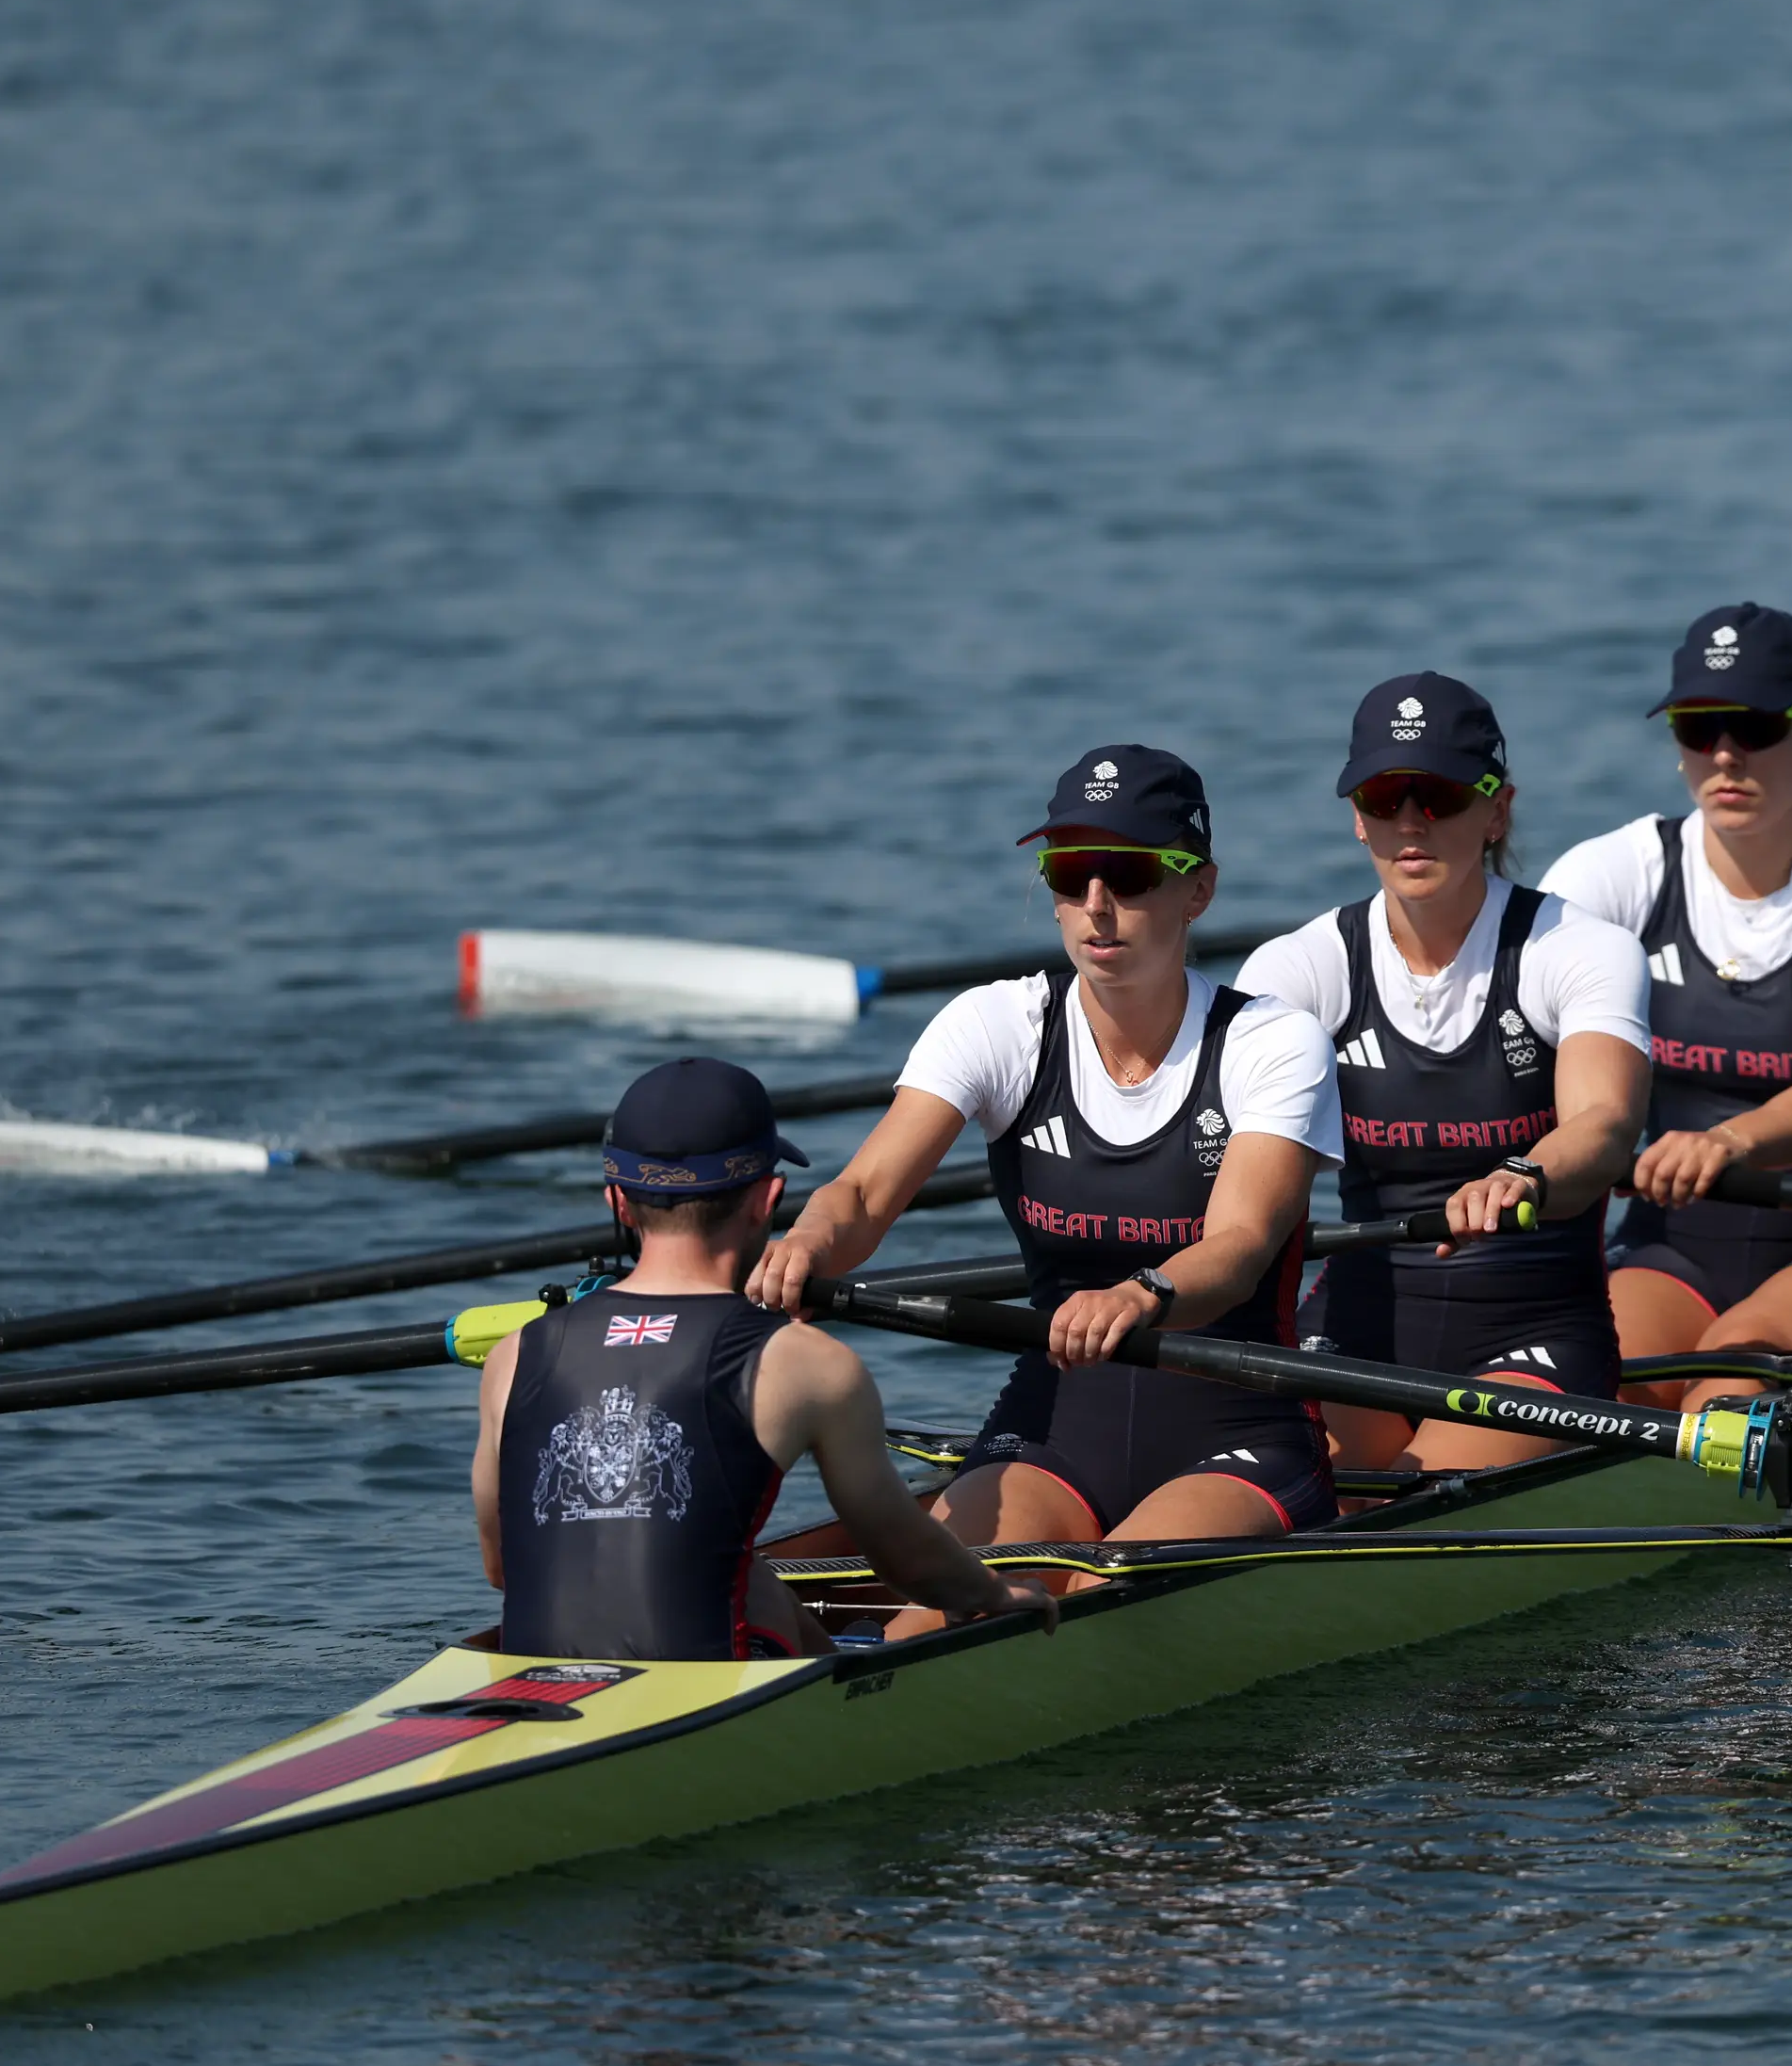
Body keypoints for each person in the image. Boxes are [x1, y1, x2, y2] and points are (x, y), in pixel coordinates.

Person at [751, 748, 1348, 1599]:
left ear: (1199, 890)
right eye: (1070, 875)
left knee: (1102, 1603)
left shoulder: (1270, 1043)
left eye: (1131, 875)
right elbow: (863, 1194)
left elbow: (1244, 1243)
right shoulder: (997, 1025)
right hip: (1055, 1426)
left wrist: (1137, 1296)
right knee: (932, 1624)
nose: (1097, 908)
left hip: (1236, 1431)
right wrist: (806, 1244)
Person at [477, 1057, 1050, 1661]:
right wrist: (986, 1591)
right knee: (742, 1571)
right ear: (767, 1199)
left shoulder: (516, 1354)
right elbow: (903, 1557)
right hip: (705, 1687)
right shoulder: (804, 1361)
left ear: (619, 1203)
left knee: (747, 1571)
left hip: (533, 1675)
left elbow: (501, 1564)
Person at [1238, 674, 1651, 1470]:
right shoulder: (1297, 970)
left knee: (1407, 1492)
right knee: (1294, 1490)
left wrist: (1527, 1174)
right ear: (1357, 819)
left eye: (1440, 795)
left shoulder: (1578, 949)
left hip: (1534, 1337)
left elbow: (1604, 1125)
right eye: (1385, 796)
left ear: (1497, 810)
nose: (1410, 822)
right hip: (1356, 1329)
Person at [1542, 605, 1792, 1404]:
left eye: (1756, 726)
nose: (1726, 754)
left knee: (1730, 1378)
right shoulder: (1613, 872)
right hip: (1673, 1240)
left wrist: (1726, 1140)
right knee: (1584, 1394)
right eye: (1698, 728)